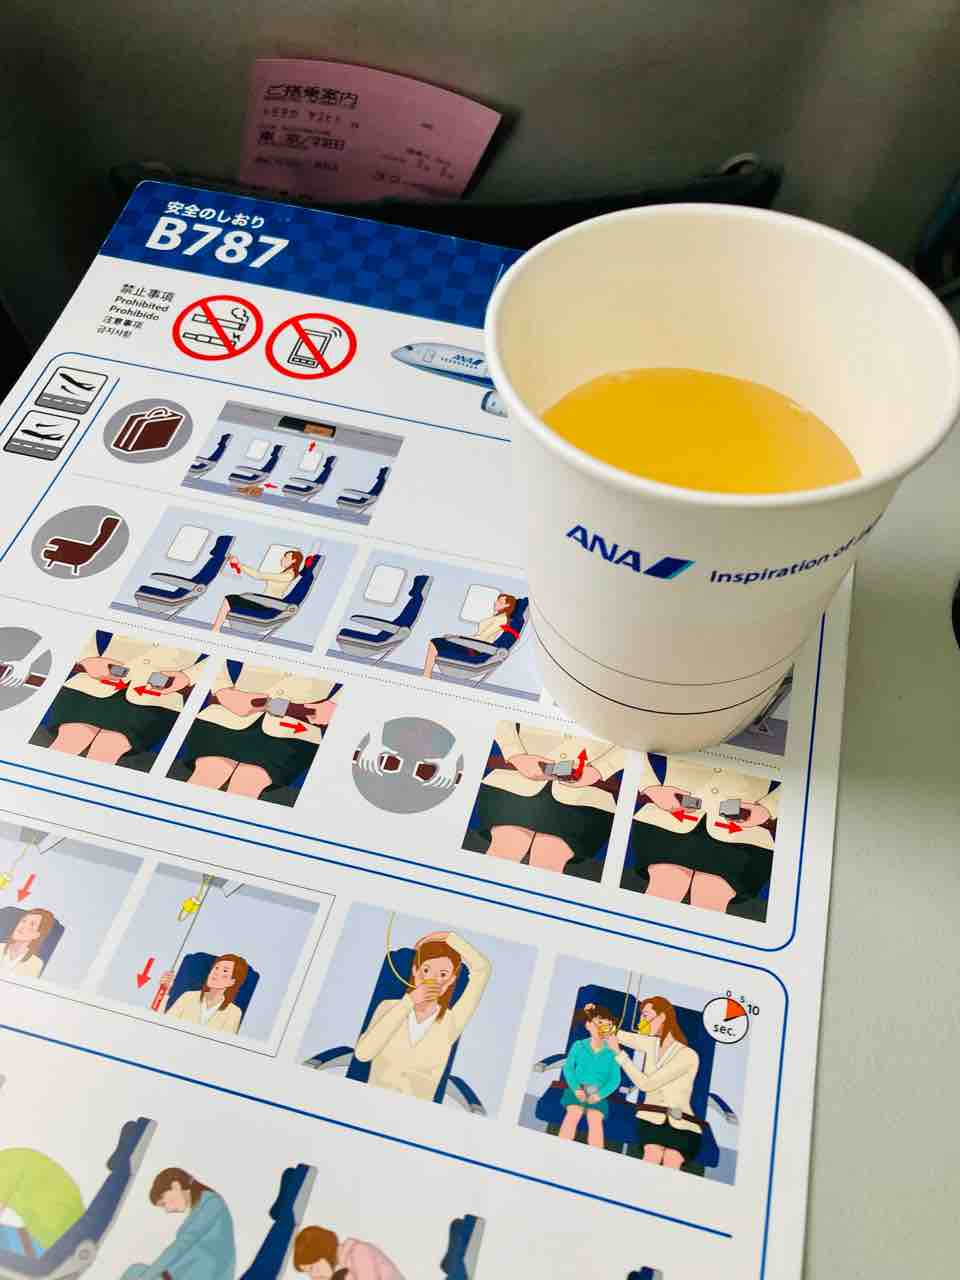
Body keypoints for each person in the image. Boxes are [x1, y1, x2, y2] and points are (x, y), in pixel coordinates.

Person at [467, 723, 625, 875]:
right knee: (506, 847)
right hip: (515, 780)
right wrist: (515, 754)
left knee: (549, 859)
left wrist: (600, 769)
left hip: (587, 796)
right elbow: (502, 719)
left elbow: (632, 743)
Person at [627, 757, 779, 912]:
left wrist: (768, 807)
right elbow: (627, 747)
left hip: (742, 834)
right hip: (671, 816)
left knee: (711, 894)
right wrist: (650, 787)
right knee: (667, 885)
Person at [354, 930, 491, 1101]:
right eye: (426, 970)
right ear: (415, 971)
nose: (432, 979)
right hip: (371, 1102)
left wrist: (450, 938)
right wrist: (409, 1002)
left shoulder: (451, 1021)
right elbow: (362, 1054)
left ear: (450, 981)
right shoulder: (388, 1007)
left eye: (443, 974)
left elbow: (482, 969)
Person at [176, 666, 339, 800]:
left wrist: (338, 705)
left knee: (249, 782)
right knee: (210, 772)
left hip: (294, 729)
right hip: (228, 712)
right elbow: (219, 655)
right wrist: (222, 690)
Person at [39, 636, 203, 768]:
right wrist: (87, 657)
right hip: (97, 679)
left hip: (156, 698)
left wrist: (189, 676)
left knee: (107, 749)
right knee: (71, 739)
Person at [606, 996, 702, 1171]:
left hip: (683, 1125)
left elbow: (647, 1085)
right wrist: (597, 1019)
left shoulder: (688, 1055)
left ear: (662, 1017)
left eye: (645, 1016)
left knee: (672, 1160)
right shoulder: (651, 1043)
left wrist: (619, 1054)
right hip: (650, 1119)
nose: (641, 1022)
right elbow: (619, 1035)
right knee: (651, 1156)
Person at [122, 1167, 236, 1280]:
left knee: (136, 1273)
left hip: (205, 1273)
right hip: (189, 1269)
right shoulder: (203, 1206)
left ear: (176, 1186)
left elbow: (180, 1247)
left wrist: (146, 1277)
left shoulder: (212, 1204)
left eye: (164, 1203)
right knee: (135, 1270)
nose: (167, 1210)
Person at [557, 1003, 622, 1148]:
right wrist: (576, 1089)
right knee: (573, 1113)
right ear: (588, 1025)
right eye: (599, 1022)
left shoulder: (613, 1052)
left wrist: (600, 1095)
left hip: (598, 1094)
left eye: (607, 1025)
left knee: (595, 1119)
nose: (602, 1028)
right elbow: (568, 1068)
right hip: (577, 1090)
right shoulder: (579, 1045)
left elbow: (615, 1079)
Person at [422, 593, 519, 680]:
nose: (496, 602)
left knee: (435, 642)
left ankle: (426, 676)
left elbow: (483, 638)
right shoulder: (498, 617)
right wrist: (457, 637)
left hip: (476, 649)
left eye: (500, 602)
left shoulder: (501, 619)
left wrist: (458, 639)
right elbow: (480, 636)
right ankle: (427, 676)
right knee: (438, 642)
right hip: (474, 645)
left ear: (507, 605)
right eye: (497, 600)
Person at [211, 548, 305, 634]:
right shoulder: (287, 573)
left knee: (230, 599)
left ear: (294, 560)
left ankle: (215, 630)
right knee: (233, 599)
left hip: (268, 605)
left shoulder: (288, 575)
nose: (282, 559)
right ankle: (216, 629)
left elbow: (258, 575)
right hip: (264, 602)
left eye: (286, 557)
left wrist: (239, 564)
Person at [157, 954, 250, 1034]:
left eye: (224, 971)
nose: (216, 973)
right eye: (216, 968)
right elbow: (165, 1024)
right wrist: (165, 991)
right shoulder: (188, 996)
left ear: (232, 981)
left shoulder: (234, 1013)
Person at [292, 1224, 405, 1279]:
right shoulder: (340, 1271)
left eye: (312, 1268)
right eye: (308, 1273)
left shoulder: (358, 1252)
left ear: (322, 1253)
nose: (313, 1276)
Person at [0, 908, 56, 978]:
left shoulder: (35, 964)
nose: (23, 926)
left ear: (37, 934)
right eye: (23, 921)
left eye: (32, 924)